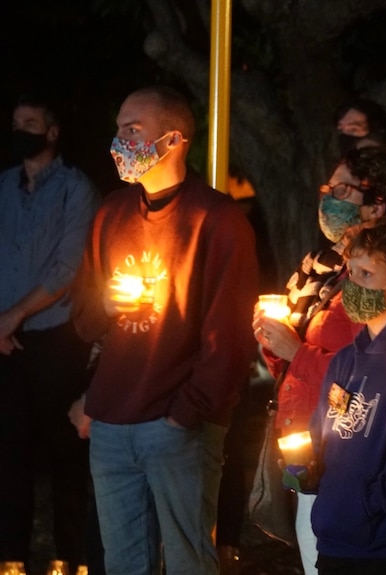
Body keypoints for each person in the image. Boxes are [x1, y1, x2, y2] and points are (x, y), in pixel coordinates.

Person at [69, 85, 259, 574]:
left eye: (132, 130)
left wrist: (187, 414)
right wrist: (105, 306)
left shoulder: (217, 220)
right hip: (113, 421)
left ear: (173, 140)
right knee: (123, 562)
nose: (118, 140)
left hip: (178, 424)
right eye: (118, 128)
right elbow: (84, 320)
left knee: (187, 560)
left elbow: (230, 337)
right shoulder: (112, 212)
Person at [251, 144, 386, 574]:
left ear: (376, 204)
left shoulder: (381, 282)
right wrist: (274, 343)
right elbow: (307, 377)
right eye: (330, 187)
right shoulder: (322, 273)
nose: (329, 198)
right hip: (317, 454)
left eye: (343, 191)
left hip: (359, 479)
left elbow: (367, 379)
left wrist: (296, 350)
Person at [0, 94, 99, 574]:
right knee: (9, 452)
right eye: (17, 122)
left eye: (31, 122)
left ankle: (70, 558)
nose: (22, 129)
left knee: (65, 454)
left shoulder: (75, 189)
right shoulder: (3, 186)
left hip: (57, 337)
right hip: (7, 339)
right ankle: (11, 557)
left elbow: (67, 269)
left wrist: (12, 316)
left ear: (52, 131)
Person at [307, 215, 386, 575]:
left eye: (367, 275)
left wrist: (372, 501)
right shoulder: (346, 360)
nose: (353, 285)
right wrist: (307, 466)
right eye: (351, 273)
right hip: (334, 541)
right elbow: (321, 430)